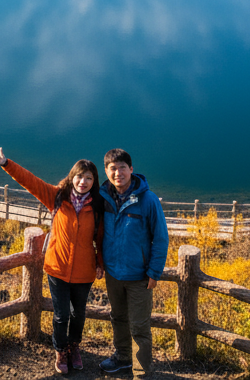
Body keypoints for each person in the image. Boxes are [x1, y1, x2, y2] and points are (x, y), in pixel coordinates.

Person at [0, 147, 103, 374]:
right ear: (72, 177)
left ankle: (73, 347)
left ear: (94, 181)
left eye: (89, 178)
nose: (83, 182)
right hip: (57, 267)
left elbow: (100, 238)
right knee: (61, 315)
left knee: (78, 314)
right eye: (79, 176)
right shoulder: (57, 196)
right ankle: (60, 350)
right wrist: (6, 163)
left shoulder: (98, 205)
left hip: (84, 270)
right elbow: (31, 182)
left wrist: (100, 263)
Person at [98, 149, 169, 379]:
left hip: (139, 275)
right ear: (106, 171)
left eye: (122, 168)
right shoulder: (104, 197)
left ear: (131, 169)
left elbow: (160, 238)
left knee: (139, 326)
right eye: (112, 168)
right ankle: (122, 358)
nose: (117, 173)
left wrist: (154, 272)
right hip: (114, 273)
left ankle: (141, 371)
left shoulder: (147, 200)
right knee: (117, 318)